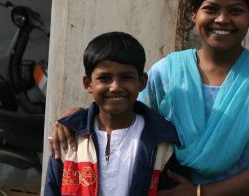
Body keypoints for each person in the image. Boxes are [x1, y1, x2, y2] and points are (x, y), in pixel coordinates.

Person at [51, 0, 249, 196]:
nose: (222, 19)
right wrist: (78, 118)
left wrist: (200, 193)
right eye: (211, 8)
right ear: (194, 13)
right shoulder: (168, 73)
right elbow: (123, 116)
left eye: (235, 10)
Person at [44, 32, 187, 196]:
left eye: (126, 77)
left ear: (141, 82)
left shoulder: (163, 142)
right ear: (88, 83)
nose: (115, 87)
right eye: (104, 78)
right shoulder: (69, 138)